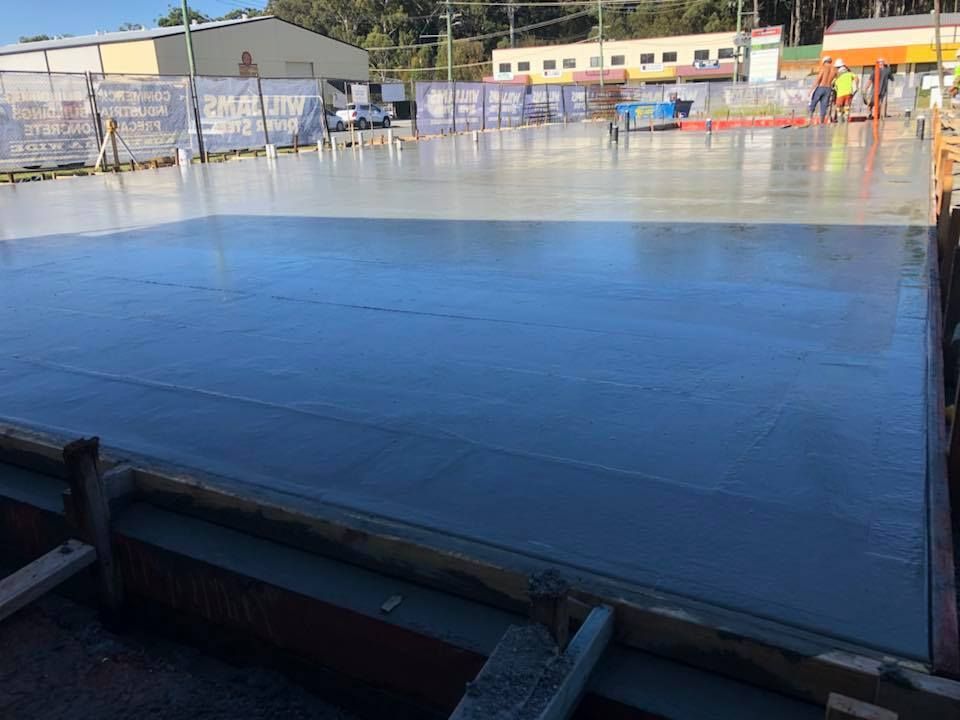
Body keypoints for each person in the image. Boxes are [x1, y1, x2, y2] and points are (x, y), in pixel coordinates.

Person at [809, 56, 835, 124]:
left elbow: (818, 79)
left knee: (813, 103)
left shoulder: (824, 67)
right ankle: (822, 122)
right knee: (824, 106)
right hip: (828, 89)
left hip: (821, 87)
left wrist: (811, 90)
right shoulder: (834, 69)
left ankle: (809, 119)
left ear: (824, 61)